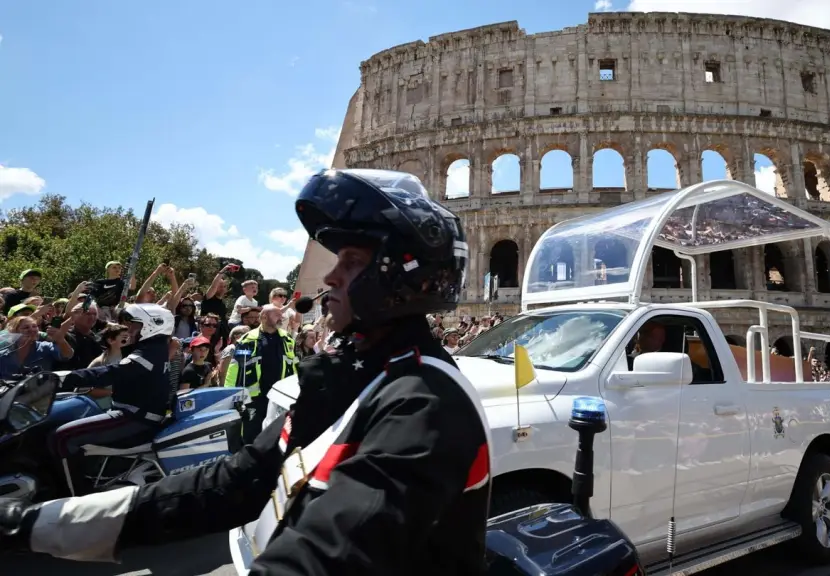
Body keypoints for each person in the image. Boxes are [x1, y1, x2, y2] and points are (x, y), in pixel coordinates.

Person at [0, 168, 492, 575]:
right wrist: (32, 524)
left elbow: (328, 554)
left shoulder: (425, 403)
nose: (330, 277)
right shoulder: (355, 376)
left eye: (353, 261)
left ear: (401, 274)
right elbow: (235, 482)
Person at [47, 303, 176, 496]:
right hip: (134, 413)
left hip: (134, 417)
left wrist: (63, 378)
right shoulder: (152, 349)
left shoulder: (148, 353)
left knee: (61, 438)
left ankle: (74, 496)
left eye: (134, 325)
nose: (128, 329)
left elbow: (110, 373)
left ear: (152, 325)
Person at [224, 304, 297, 443]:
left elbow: (294, 366)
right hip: (254, 399)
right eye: (276, 315)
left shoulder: (287, 339)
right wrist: (230, 394)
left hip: (279, 398)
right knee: (251, 437)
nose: (281, 317)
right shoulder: (247, 340)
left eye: (281, 315)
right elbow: (234, 368)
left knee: (276, 438)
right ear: (264, 317)